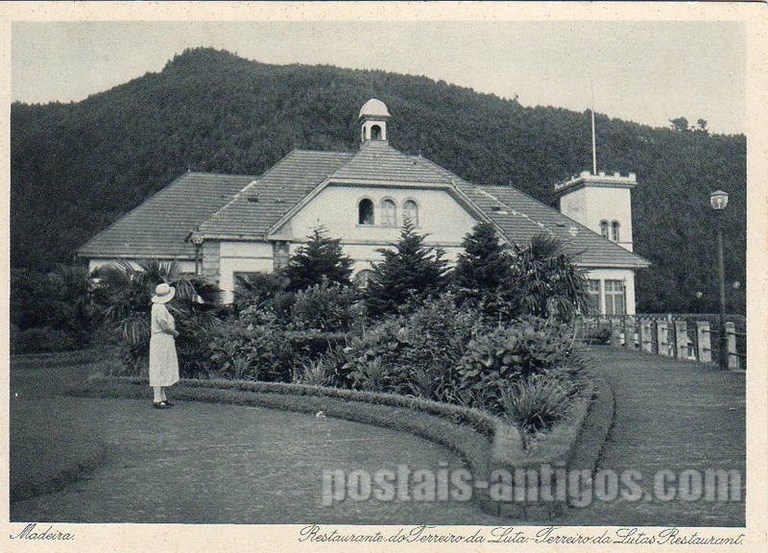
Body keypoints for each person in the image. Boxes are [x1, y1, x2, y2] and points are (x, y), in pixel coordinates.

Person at [149, 282, 180, 409]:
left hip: (163, 341)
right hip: (161, 340)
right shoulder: (159, 308)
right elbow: (163, 326)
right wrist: (174, 332)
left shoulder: (158, 307)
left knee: (163, 368)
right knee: (159, 368)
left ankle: (162, 397)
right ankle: (157, 399)